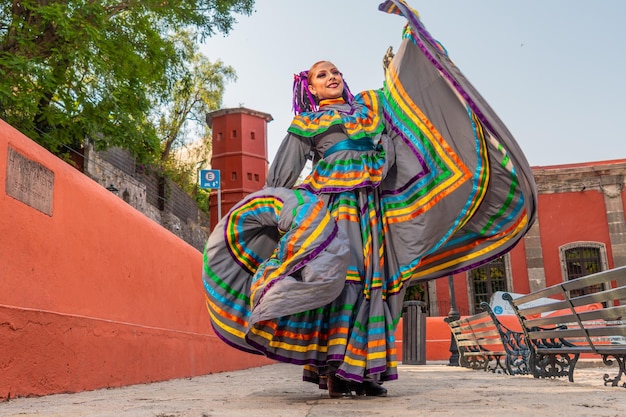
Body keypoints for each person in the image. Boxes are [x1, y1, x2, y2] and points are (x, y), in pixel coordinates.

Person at [202, 0, 537, 399]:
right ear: (309, 87)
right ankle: (335, 369)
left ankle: (365, 370)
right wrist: (278, 213)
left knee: (377, 284)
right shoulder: (308, 122)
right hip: (333, 208)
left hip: (374, 210)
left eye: (336, 71)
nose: (332, 76)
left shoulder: (371, 107)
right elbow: (281, 176)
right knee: (344, 279)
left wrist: (411, 47)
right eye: (321, 74)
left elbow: (407, 103)